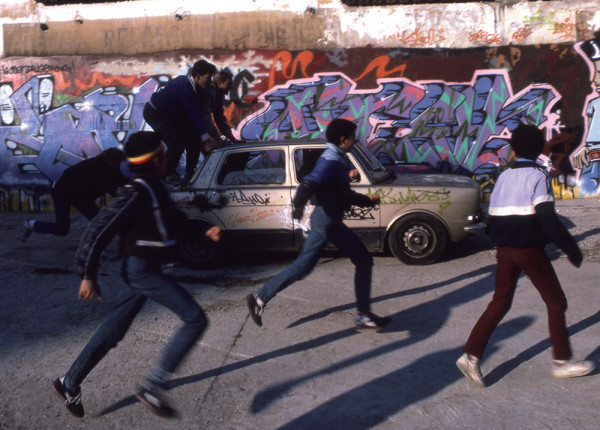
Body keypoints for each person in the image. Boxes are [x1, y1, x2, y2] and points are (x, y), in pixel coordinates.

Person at [51, 131, 221, 419]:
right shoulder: (136, 191)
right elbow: (99, 229)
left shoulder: (156, 187)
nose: (168, 157)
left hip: (148, 268)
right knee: (195, 320)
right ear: (156, 160)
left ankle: (69, 382)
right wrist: (88, 273)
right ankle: (153, 387)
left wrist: (202, 230)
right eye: (164, 153)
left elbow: (173, 224)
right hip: (141, 269)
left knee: (114, 329)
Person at [456, 124, 594, 387]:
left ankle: (470, 355)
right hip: (529, 251)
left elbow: (493, 214)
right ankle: (562, 362)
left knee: (500, 302)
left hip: (504, 250)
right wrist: (571, 248)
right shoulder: (538, 176)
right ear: (539, 148)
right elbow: (547, 218)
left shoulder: (504, 176)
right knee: (556, 303)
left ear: (514, 149)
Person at [245, 118, 391, 330]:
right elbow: (309, 182)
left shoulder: (337, 157)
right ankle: (363, 315)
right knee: (363, 259)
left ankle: (260, 297)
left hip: (327, 219)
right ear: (343, 140)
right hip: (327, 220)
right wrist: (297, 205)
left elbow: (343, 193)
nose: (356, 140)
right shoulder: (331, 160)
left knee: (304, 266)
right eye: (353, 137)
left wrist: (367, 201)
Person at [19, 147, 127, 242]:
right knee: (62, 229)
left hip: (80, 197)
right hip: (63, 193)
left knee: (101, 222)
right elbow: (110, 187)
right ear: (110, 159)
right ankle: (31, 224)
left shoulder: (110, 168)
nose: (118, 166)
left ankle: (97, 248)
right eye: (117, 163)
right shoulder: (97, 167)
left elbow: (120, 180)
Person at [143, 59, 218, 184]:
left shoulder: (194, 87)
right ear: (198, 76)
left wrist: (205, 136)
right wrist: (206, 137)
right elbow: (194, 114)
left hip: (173, 115)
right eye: (208, 77)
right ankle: (167, 175)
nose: (210, 81)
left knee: (193, 140)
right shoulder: (186, 89)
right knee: (175, 143)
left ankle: (190, 173)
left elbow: (199, 114)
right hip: (155, 114)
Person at [197, 68, 242, 145]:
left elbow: (220, 119)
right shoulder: (210, 92)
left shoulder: (219, 94)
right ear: (219, 84)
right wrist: (217, 139)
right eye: (229, 84)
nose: (231, 87)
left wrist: (232, 139)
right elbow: (206, 117)